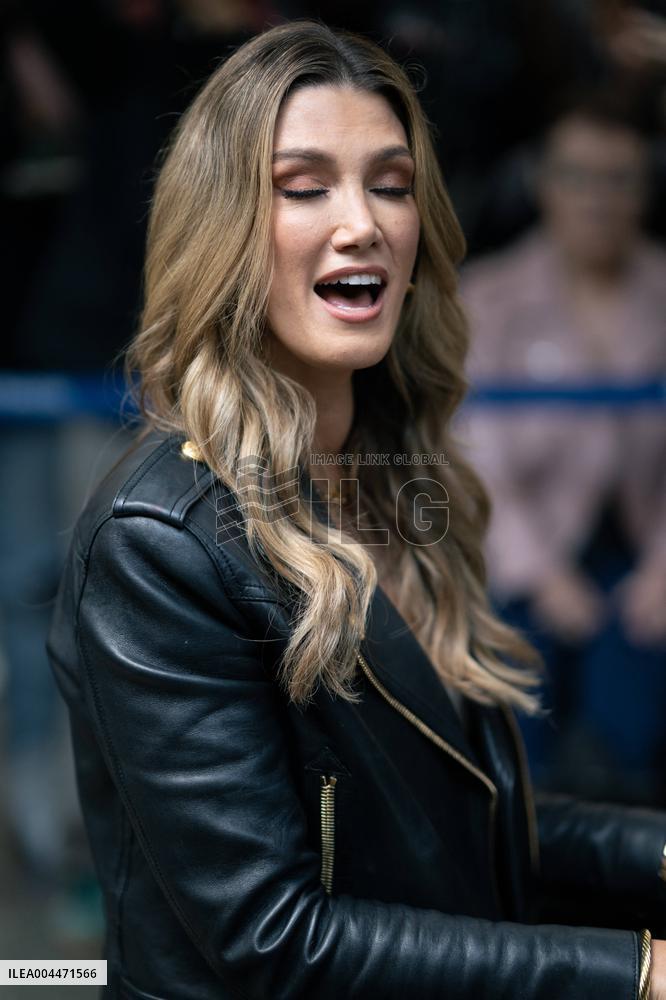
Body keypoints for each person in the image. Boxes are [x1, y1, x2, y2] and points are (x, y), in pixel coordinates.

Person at [46, 20, 666, 999]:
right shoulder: (157, 540)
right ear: (224, 229)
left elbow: (467, 819)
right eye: (304, 187)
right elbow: (274, 937)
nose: (363, 222)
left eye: (390, 182)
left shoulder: (396, 477)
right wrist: (638, 970)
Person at [459, 94, 666, 803]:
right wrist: (543, 575)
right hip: (519, 557)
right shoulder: (489, 296)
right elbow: (473, 455)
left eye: (620, 179)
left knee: (634, 726)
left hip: (642, 555)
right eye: (579, 176)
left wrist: (664, 570)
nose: (598, 200)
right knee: (518, 721)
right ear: (544, 182)